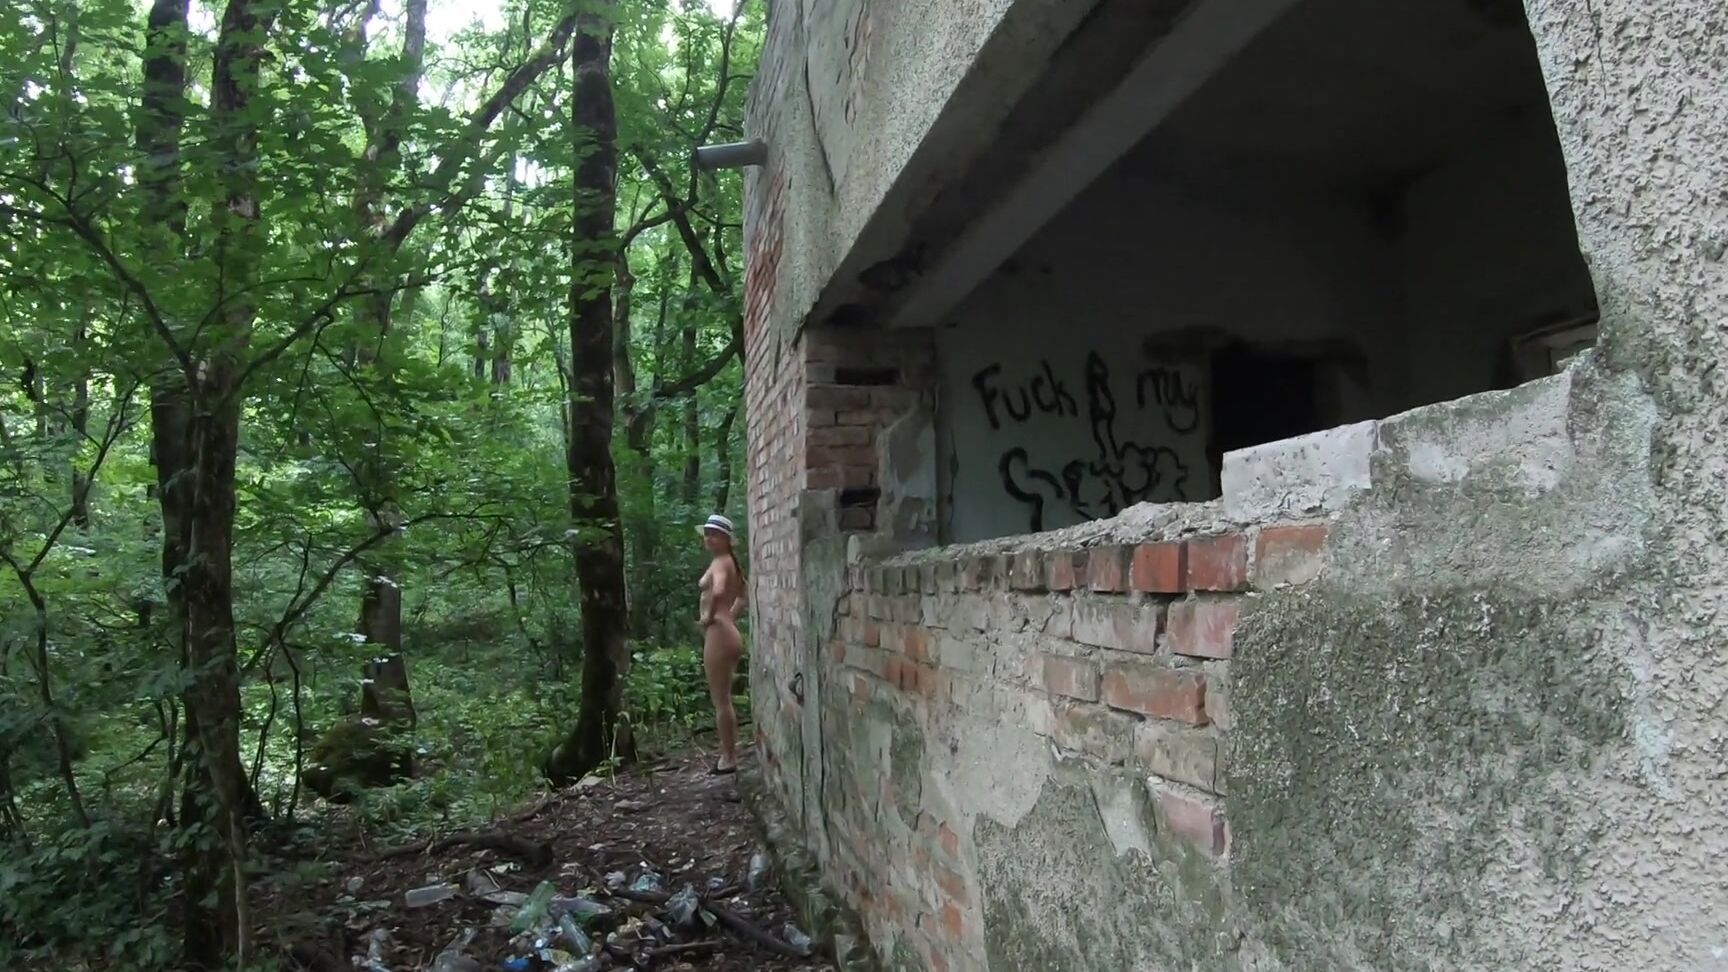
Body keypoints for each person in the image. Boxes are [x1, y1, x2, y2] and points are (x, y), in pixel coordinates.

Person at [698, 514, 747, 775]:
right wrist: (730, 617)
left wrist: (708, 618)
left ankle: (728, 758)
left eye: (714, 534)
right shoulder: (730, 563)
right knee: (723, 698)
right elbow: (743, 594)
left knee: (721, 700)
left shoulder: (721, 563)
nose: (708, 537)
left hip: (719, 633)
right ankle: (728, 754)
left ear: (727, 540)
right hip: (727, 630)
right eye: (706, 533)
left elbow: (717, 592)